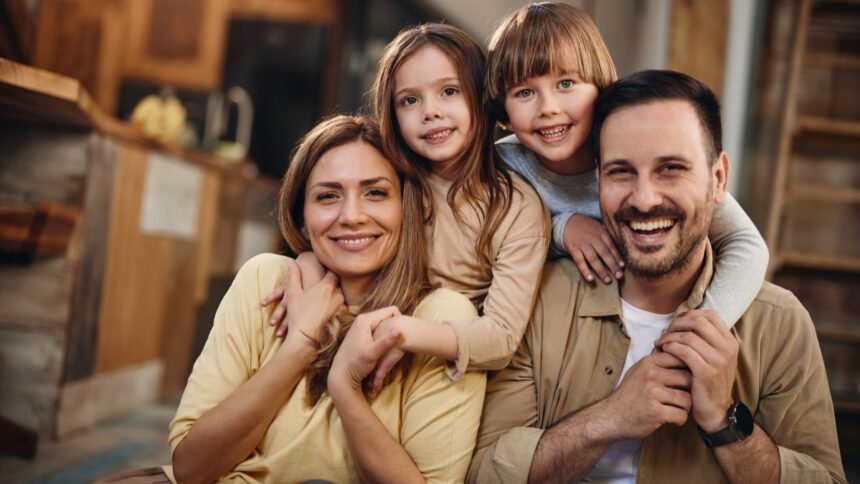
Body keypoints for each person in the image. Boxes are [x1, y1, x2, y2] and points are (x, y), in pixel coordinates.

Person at [467, 71, 846, 484]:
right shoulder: (537, 301)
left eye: (670, 168)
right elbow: (484, 473)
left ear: (718, 179)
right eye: (621, 172)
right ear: (598, 179)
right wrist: (611, 418)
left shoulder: (780, 324)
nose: (645, 199)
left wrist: (724, 420)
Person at [163, 115, 485, 483]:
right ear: (302, 217)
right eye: (328, 196)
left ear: (407, 207)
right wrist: (299, 345)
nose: (351, 216)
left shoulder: (440, 322)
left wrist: (345, 386)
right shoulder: (264, 281)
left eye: (376, 193)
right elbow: (190, 468)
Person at [264, 23, 550, 385]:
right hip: (358, 347)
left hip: (443, 368)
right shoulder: (390, 177)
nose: (430, 112)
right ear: (391, 113)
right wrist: (310, 262)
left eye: (449, 91)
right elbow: (343, 234)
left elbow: (501, 339)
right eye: (409, 100)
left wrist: (403, 332)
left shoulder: (516, 208)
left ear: (481, 96)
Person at [484, 2, 769, 329]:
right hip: (556, 329)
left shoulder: (638, 154)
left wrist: (704, 323)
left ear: (599, 88)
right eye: (524, 92)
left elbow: (747, 245)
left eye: (566, 84)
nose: (548, 108)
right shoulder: (502, 167)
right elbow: (475, 242)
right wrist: (560, 229)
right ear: (504, 110)